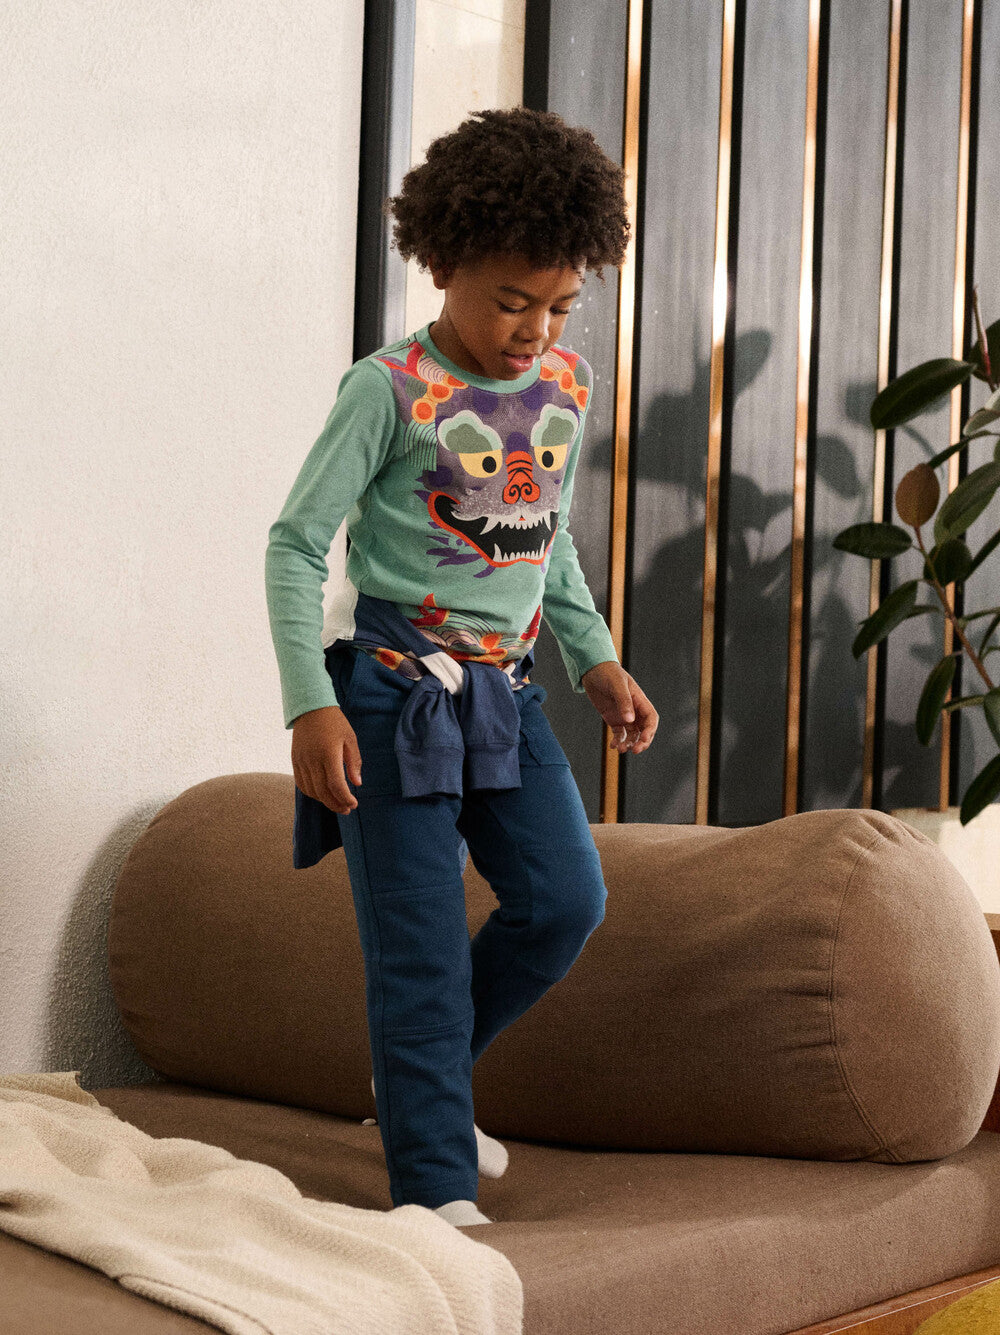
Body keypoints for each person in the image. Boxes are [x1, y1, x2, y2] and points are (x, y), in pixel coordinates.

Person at [264, 106, 658, 1228]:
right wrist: (310, 706)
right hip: (391, 698)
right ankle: (435, 1188)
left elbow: (548, 538)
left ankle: (416, 1086)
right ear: (443, 266)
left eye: (561, 304)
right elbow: (295, 546)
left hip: (509, 696)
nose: (536, 331)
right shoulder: (386, 390)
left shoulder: (567, 386)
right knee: (421, 954)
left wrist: (594, 655)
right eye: (512, 301)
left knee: (565, 901)